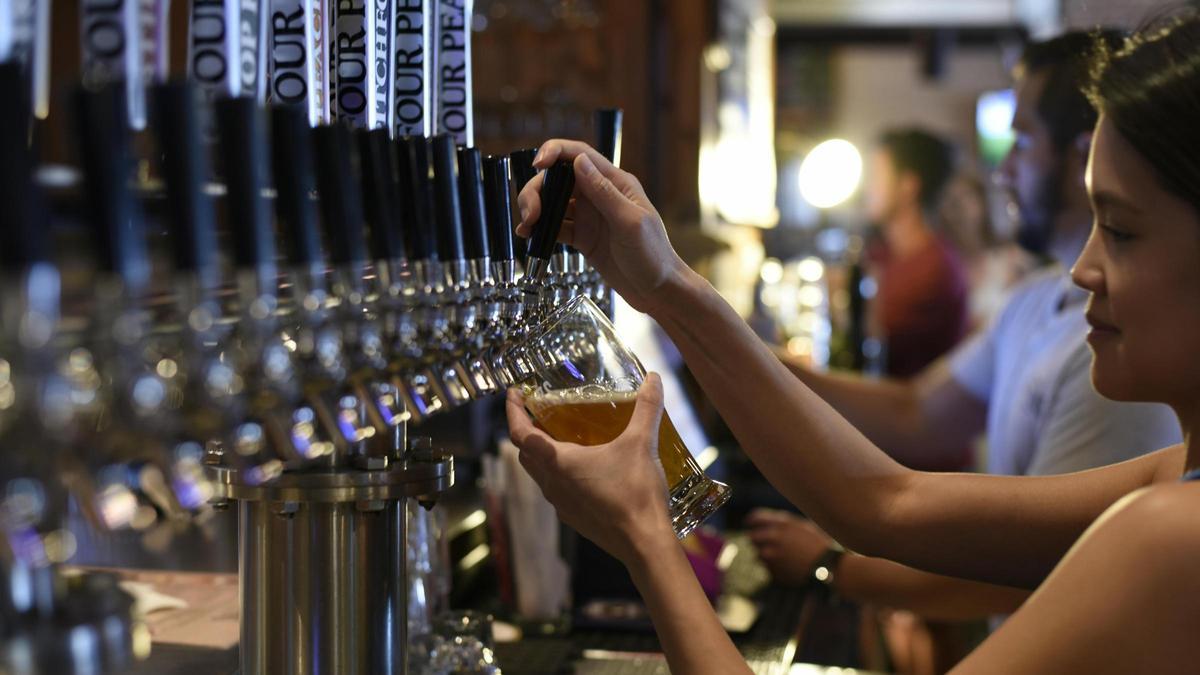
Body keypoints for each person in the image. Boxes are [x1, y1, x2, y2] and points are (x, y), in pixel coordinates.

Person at [506, 12, 1200, 673]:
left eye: (1123, 230)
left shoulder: (1172, 535)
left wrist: (644, 534)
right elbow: (881, 502)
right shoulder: (1171, 477)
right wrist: (663, 285)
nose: (1084, 269)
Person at [749, 30, 1187, 635]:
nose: (1003, 166)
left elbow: (1020, 569)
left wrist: (829, 566)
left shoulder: (1116, 362)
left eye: (1024, 138)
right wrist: (747, 353)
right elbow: (914, 417)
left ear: (1080, 151)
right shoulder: (1037, 300)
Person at [865, 128, 969, 382]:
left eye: (877, 175)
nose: (867, 188)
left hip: (897, 413)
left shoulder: (936, 269)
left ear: (908, 186)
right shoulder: (883, 252)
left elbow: (868, 332)